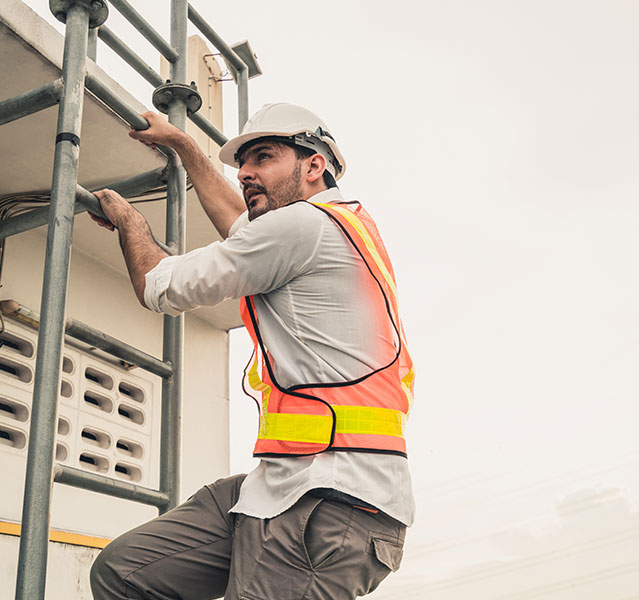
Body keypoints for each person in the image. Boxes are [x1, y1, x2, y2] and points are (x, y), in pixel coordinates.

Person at [88, 103, 415, 600]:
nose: (244, 173)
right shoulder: (333, 225)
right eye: (242, 164)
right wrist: (182, 145)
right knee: (126, 572)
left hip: (331, 502)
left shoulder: (302, 227)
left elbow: (160, 285)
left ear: (313, 166)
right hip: (281, 484)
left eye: (263, 157)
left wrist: (130, 219)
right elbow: (238, 221)